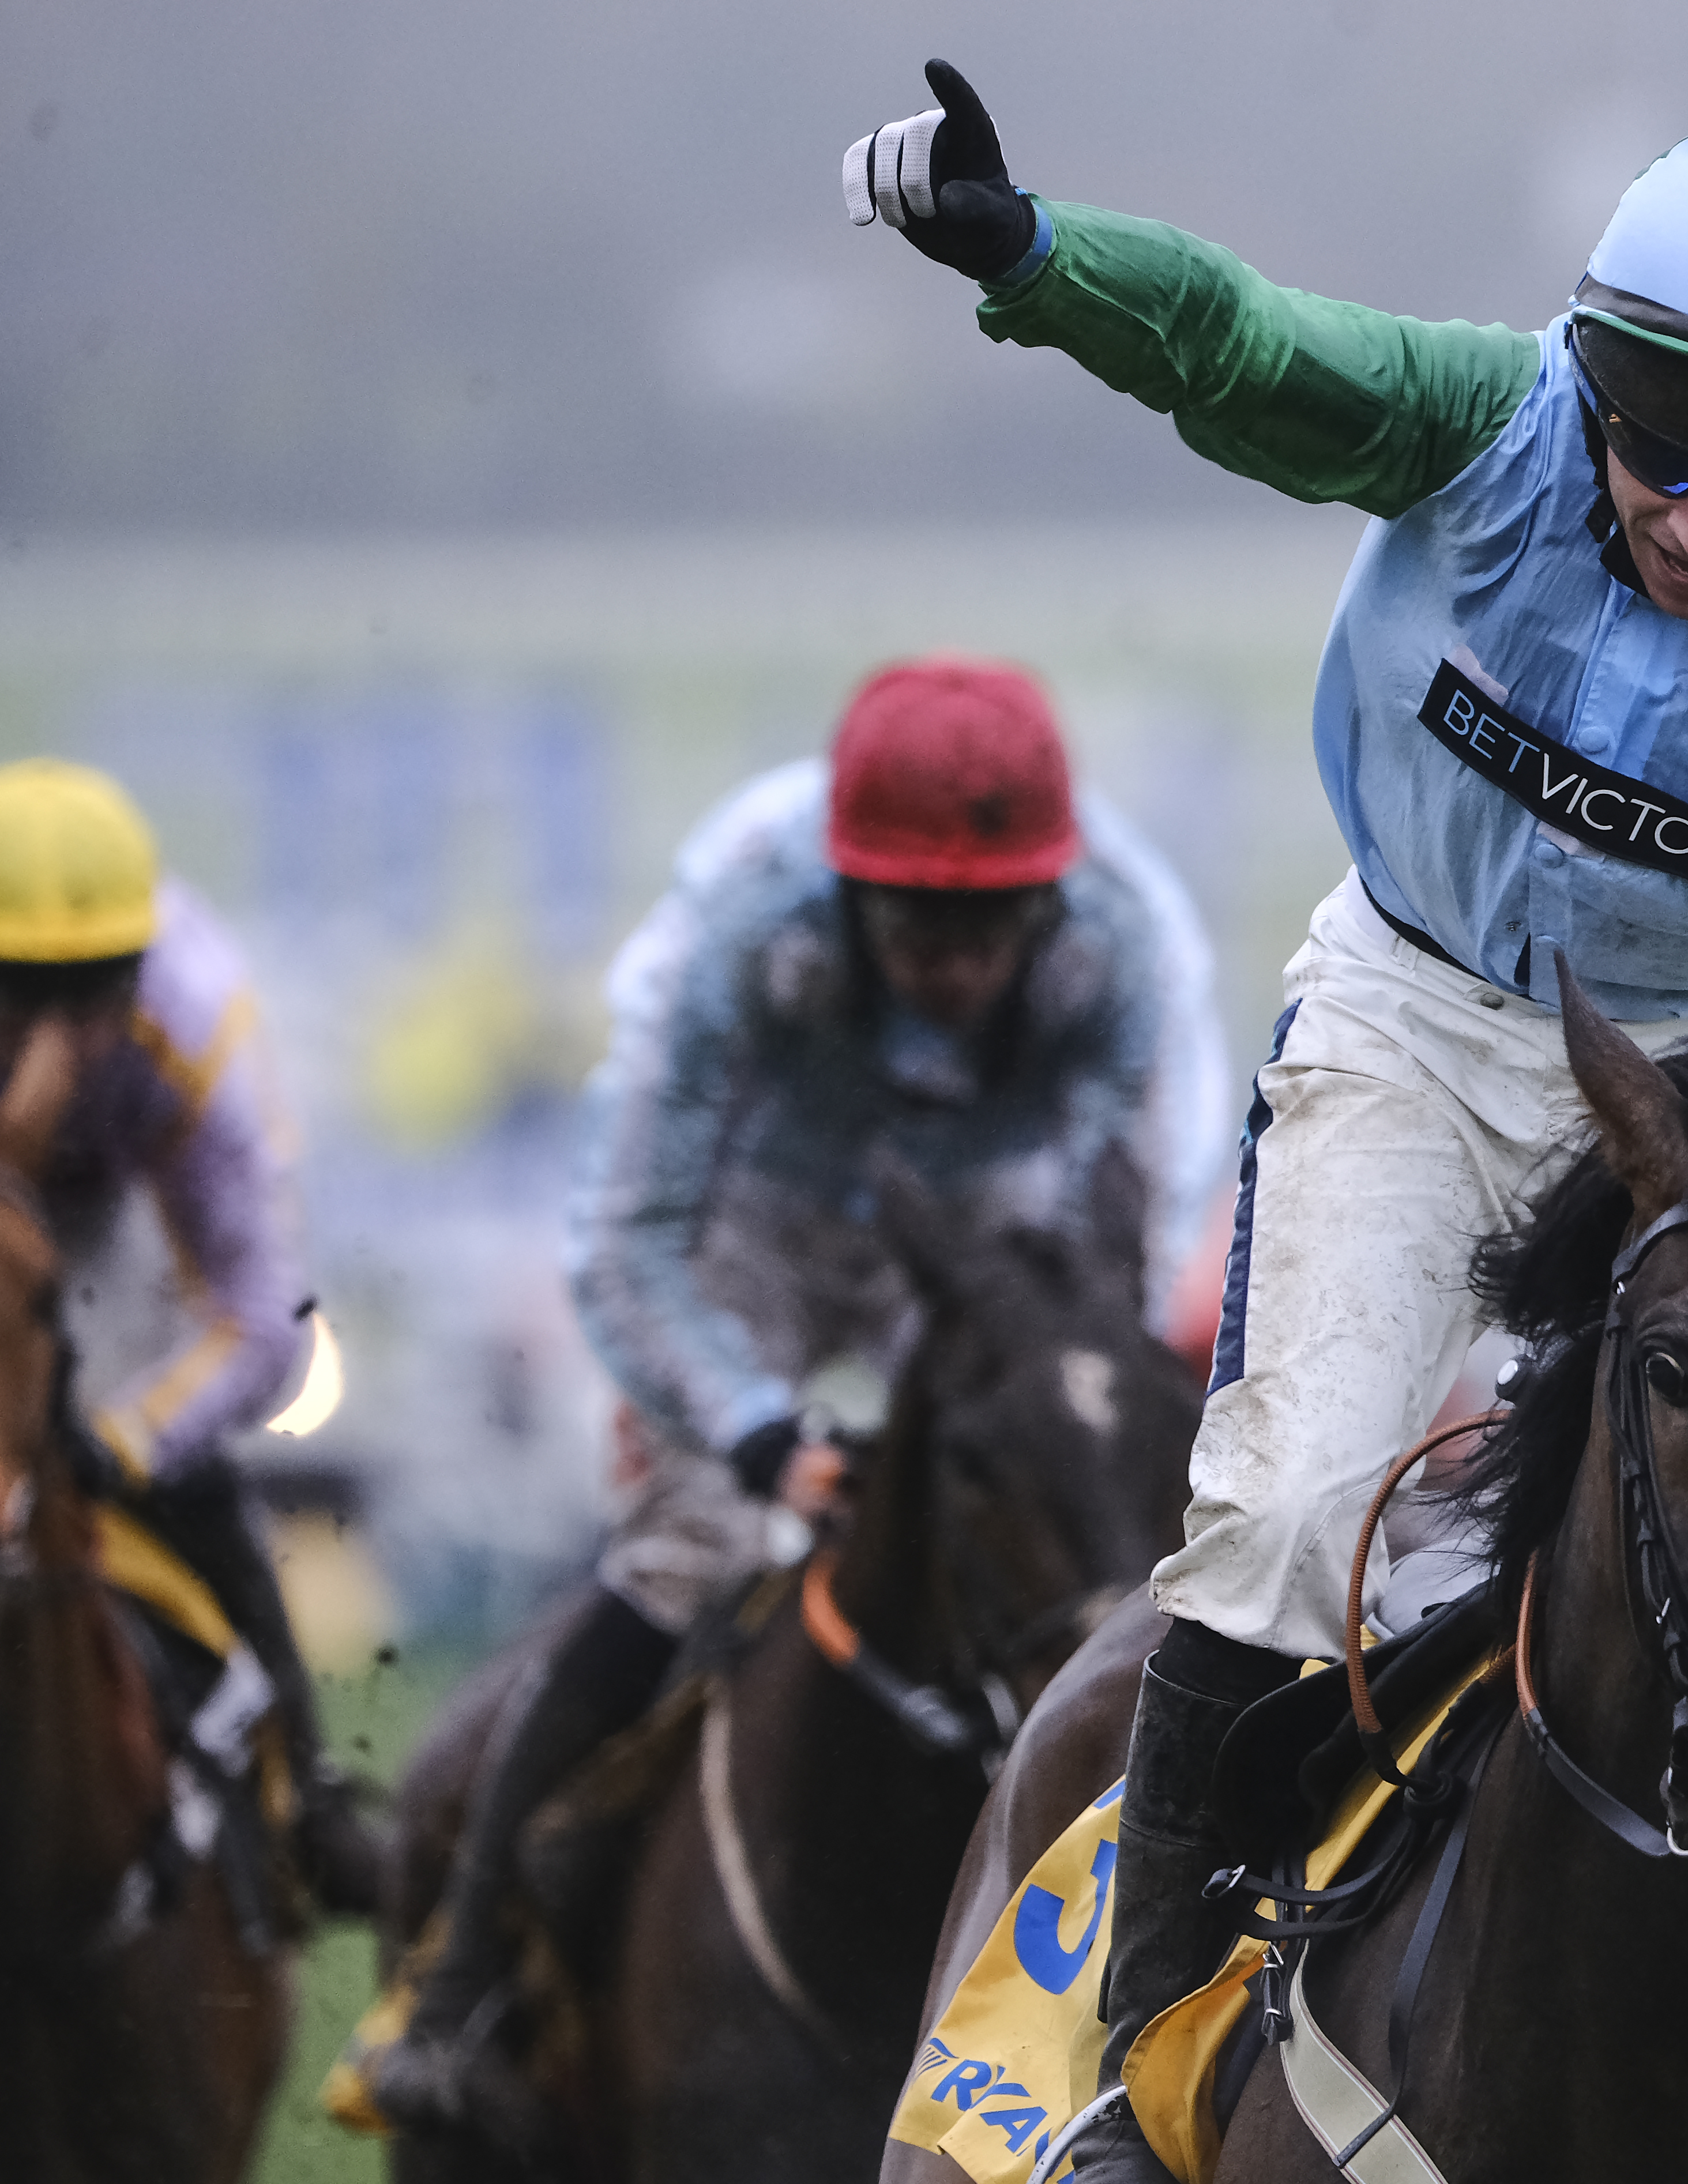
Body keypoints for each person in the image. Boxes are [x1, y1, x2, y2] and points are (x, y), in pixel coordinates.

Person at [843, 70, 1688, 2178]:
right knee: (1293, 1508)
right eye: (1661, 458)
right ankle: (1138, 2075)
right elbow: (1247, 350)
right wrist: (1034, 254)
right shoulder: (1489, 420)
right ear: (1588, 384)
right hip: (1413, 1016)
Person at [366, 655, 1228, 2136]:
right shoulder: (742, 924)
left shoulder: (1127, 945)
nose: (953, 964)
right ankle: (464, 1980)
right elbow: (628, 1235)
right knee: (688, 1541)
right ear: (847, 892)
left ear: (1050, 899)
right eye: (915, 922)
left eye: (988, 923)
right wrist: (759, 1432)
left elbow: (1119, 1264)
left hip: (982, 1220)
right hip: (749, 1220)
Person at [0, 757, 379, 1917]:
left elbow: (260, 1316)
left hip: (129, 1220)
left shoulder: (197, 1019)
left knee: (187, 1476)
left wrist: (124, 1444)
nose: (71, 1033)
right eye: (28, 991)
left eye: (98, 991)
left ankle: (310, 1802)